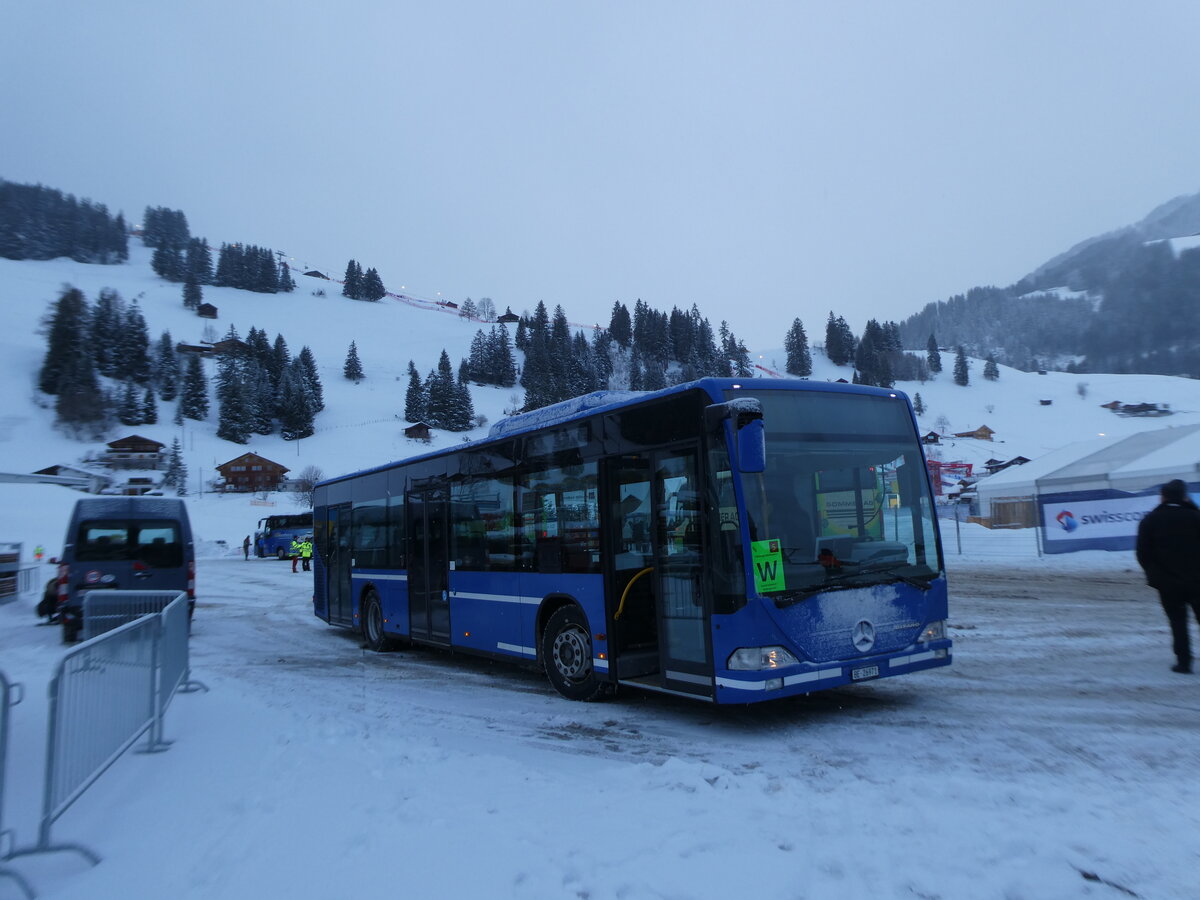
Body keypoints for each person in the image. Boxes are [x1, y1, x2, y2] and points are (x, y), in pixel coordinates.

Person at [1135, 479, 1200, 674]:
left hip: (1169, 583)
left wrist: (1156, 577)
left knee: (1177, 622)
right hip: (1198, 580)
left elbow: (1143, 553)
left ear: (1162, 497)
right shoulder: (1195, 517)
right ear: (1184, 496)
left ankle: (1184, 662)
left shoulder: (1151, 520)